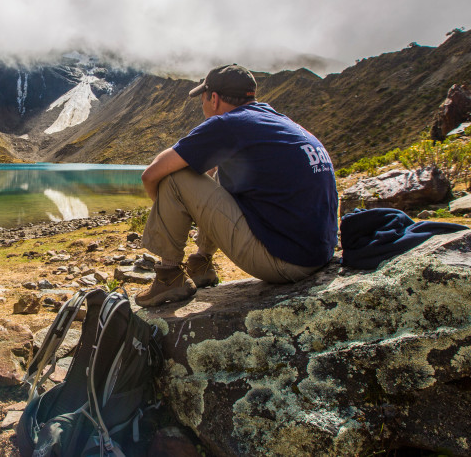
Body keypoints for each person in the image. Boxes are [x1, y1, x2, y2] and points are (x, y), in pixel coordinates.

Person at [135, 64, 338, 307]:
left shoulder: (228, 124)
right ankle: (201, 263)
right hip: (318, 254)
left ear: (215, 99)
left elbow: (151, 175)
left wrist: (168, 207)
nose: (202, 104)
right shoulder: (276, 120)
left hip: (285, 263)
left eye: (203, 97)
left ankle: (169, 276)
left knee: (174, 177)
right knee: (222, 171)